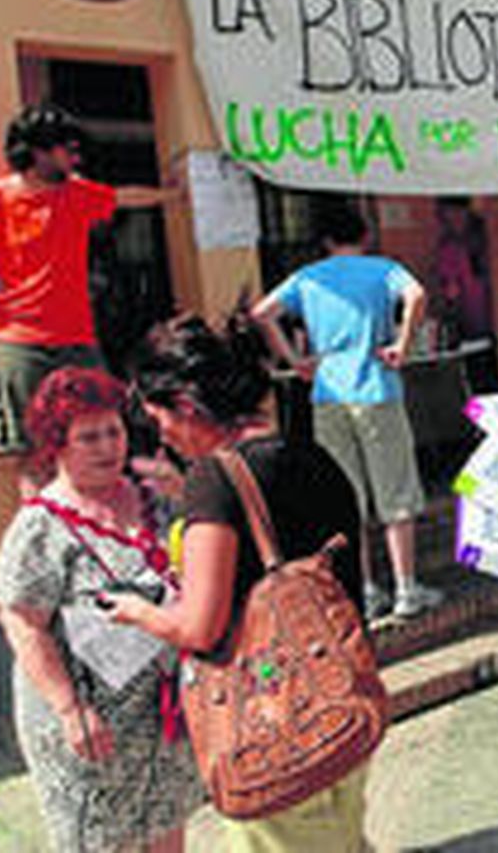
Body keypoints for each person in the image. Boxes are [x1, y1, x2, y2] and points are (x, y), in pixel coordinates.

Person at [107, 314, 370, 852]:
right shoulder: (309, 454)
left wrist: (136, 612)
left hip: (272, 722)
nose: (165, 439)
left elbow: (200, 627)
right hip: (341, 699)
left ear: (186, 405)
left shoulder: (214, 481)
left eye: (161, 423)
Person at [0, 105, 172, 479]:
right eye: (67, 149)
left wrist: (174, 195)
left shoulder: (76, 194)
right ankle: (49, 532)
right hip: (17, 341)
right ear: (37, 152)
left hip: (77, 339)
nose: (76, 157)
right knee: (34, 453)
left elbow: (123, 197)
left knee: (105, 433)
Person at [0, 367, 204, 852]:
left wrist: (188, 494)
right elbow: (23, 622)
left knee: (167, 837)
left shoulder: (156, 499)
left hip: (161, 719)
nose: (108, 447)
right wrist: (70, 709)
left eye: (114, 432)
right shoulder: (40, 529)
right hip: (89, 732)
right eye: (89, 437)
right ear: (57, 446)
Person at [251, 202, 442, 622]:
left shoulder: (308, 277)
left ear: (325, 240)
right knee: (395, 492)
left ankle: (366, 589)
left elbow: (261, 313)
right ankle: (407, 589)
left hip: (327, 394)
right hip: (376, 387)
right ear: (365, 235)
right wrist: (402, 346)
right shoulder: (383, 269)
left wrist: (294, 361)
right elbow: (418, 295)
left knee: (345, 498)